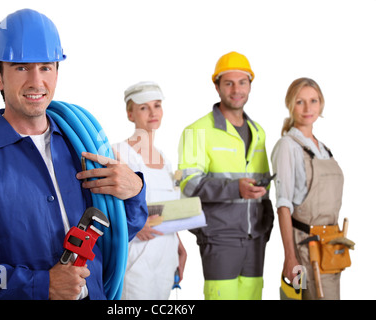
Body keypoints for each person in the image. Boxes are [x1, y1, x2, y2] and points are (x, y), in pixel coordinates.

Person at [0, 9, 147, 300]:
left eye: (46, 67)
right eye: (22, 68)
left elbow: (115, 238)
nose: (36, 81)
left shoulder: (81, 147)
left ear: (57, 71)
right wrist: (39, 284)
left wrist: (135, 191)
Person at [178, 52, 274, 300]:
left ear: (250, 85)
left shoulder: (259, 132)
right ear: (217, 86)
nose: (236, 89)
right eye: (228, 83)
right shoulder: (196, 131)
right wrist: (235, 188)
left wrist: (267, 225)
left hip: (255, 238)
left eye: (242, 82)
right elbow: (188, 185)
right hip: (220, 238)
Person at [271, 78, 346, 300]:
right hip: (306, 250)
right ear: (290, 105)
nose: (307, 108)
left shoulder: (324, 149)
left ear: (321, 104)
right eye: (300, 102)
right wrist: (290, 258)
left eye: (313, 101)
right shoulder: (288, 146)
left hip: (331, 249)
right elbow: (283, 205)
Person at [112, 81, 187, 300]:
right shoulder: (119, 154)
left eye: (157, 105)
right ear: (130, 113)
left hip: (165, 256)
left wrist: (179, 246)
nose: (153, 112)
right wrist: (135, 223)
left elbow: (167, 211)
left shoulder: (165, 160)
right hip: (136, 258)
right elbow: (104, 206)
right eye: (144, 107)